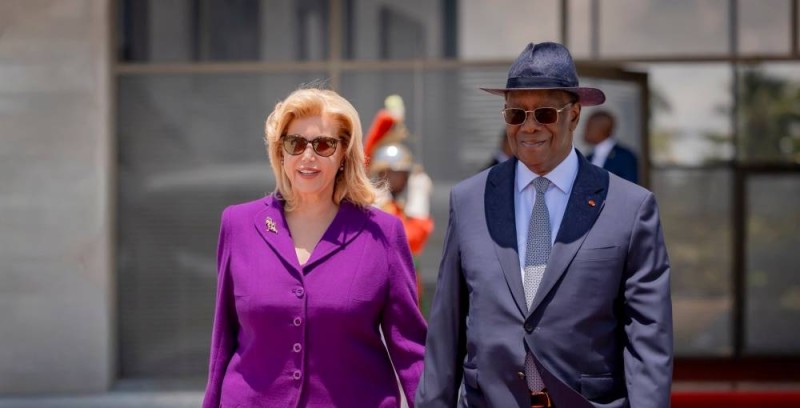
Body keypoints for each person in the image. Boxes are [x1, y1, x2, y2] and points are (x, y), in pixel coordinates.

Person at [416, 42, 672, 408]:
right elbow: (446, 327)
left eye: (545, 113)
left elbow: (648, 336)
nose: (530, 126)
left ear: (574, 115)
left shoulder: (630, 207)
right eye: (516, 114)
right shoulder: (469, 200)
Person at [202, 86, 427, 408]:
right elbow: (222, 340)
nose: (308, 156)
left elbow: (411, 349)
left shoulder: (383, 233)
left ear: (343, 153)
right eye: (295, 143)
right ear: (281, 151)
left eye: (323, 145)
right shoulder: (238, 225)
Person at [364, 95, 434, 302]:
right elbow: (410, 240)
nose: (405, 179)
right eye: (399, 173)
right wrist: (419, 207)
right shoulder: (375, 205)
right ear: (384, 173)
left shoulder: (394, 205)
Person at [584, 110, 639, 184]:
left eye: (589, 127)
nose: (585, 132)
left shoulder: (624, 157)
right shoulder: (587, 158)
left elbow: (630, 186)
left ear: (602, 128)